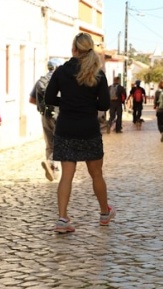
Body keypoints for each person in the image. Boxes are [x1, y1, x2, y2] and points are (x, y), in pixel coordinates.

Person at [44, 32, 115, 233]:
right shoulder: (98, 74)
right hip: (89, 129)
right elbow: (104, 104)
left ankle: (62, 219)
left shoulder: (61, 71)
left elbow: (49, 98)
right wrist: (88, 103)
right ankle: (104, 213)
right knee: (96, 174)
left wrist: (65, 102)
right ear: (90, 48)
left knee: (67, 175)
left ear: (74, 49)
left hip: (66, 127)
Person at [29, 58, 63, 181]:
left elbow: (31, 100)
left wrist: (43, 106)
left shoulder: (40, 81)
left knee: (49, 144)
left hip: (45, 116)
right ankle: (51, 163)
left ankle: (53, 171)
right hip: (59, 115)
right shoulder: (61, 81)